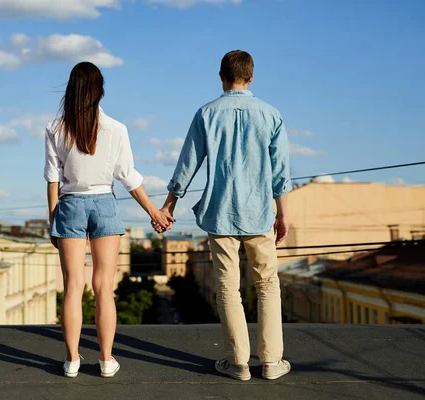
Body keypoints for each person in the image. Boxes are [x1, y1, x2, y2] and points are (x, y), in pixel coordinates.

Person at [156, 50, 292, 381]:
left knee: (227, 287)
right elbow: (281, 171)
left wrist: (169, 205)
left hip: (221, 214)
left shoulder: (206, 114)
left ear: (221, 76)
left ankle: (239, 363)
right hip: (259, 213)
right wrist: (283, 214)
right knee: (267, 284)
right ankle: (272, 362)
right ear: (251, 77)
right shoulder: (271, 114)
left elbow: (188, 163)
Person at [45, 61, 173, 378]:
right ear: (100, 91)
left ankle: (72, 360)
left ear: (71, 89)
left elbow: (52, 180)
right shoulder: (116, 129)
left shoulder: (55, 128)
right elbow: (128, 178)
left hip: (70, 204)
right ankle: (105, 360)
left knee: (73, 286)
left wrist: (53, 221)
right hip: (104, 203)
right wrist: (154, 213)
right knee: (104, 287)